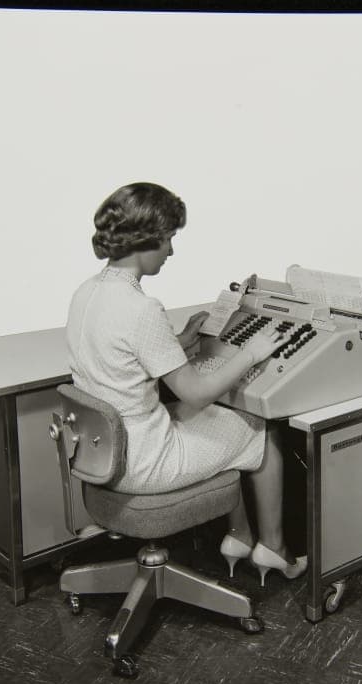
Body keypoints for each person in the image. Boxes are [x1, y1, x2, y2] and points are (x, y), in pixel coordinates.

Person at [66, 182, 307, 587]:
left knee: (216, 418)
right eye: (168, 239)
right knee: (258, 430)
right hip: (144, 462)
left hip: (104, 452)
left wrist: (178, 344)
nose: (171, 251)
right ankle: (274, 547)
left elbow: (118, 357)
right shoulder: (142, 308)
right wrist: (253, 352)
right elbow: (195, 391)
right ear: (146, 240)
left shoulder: (86, 292)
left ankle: (239, 537)